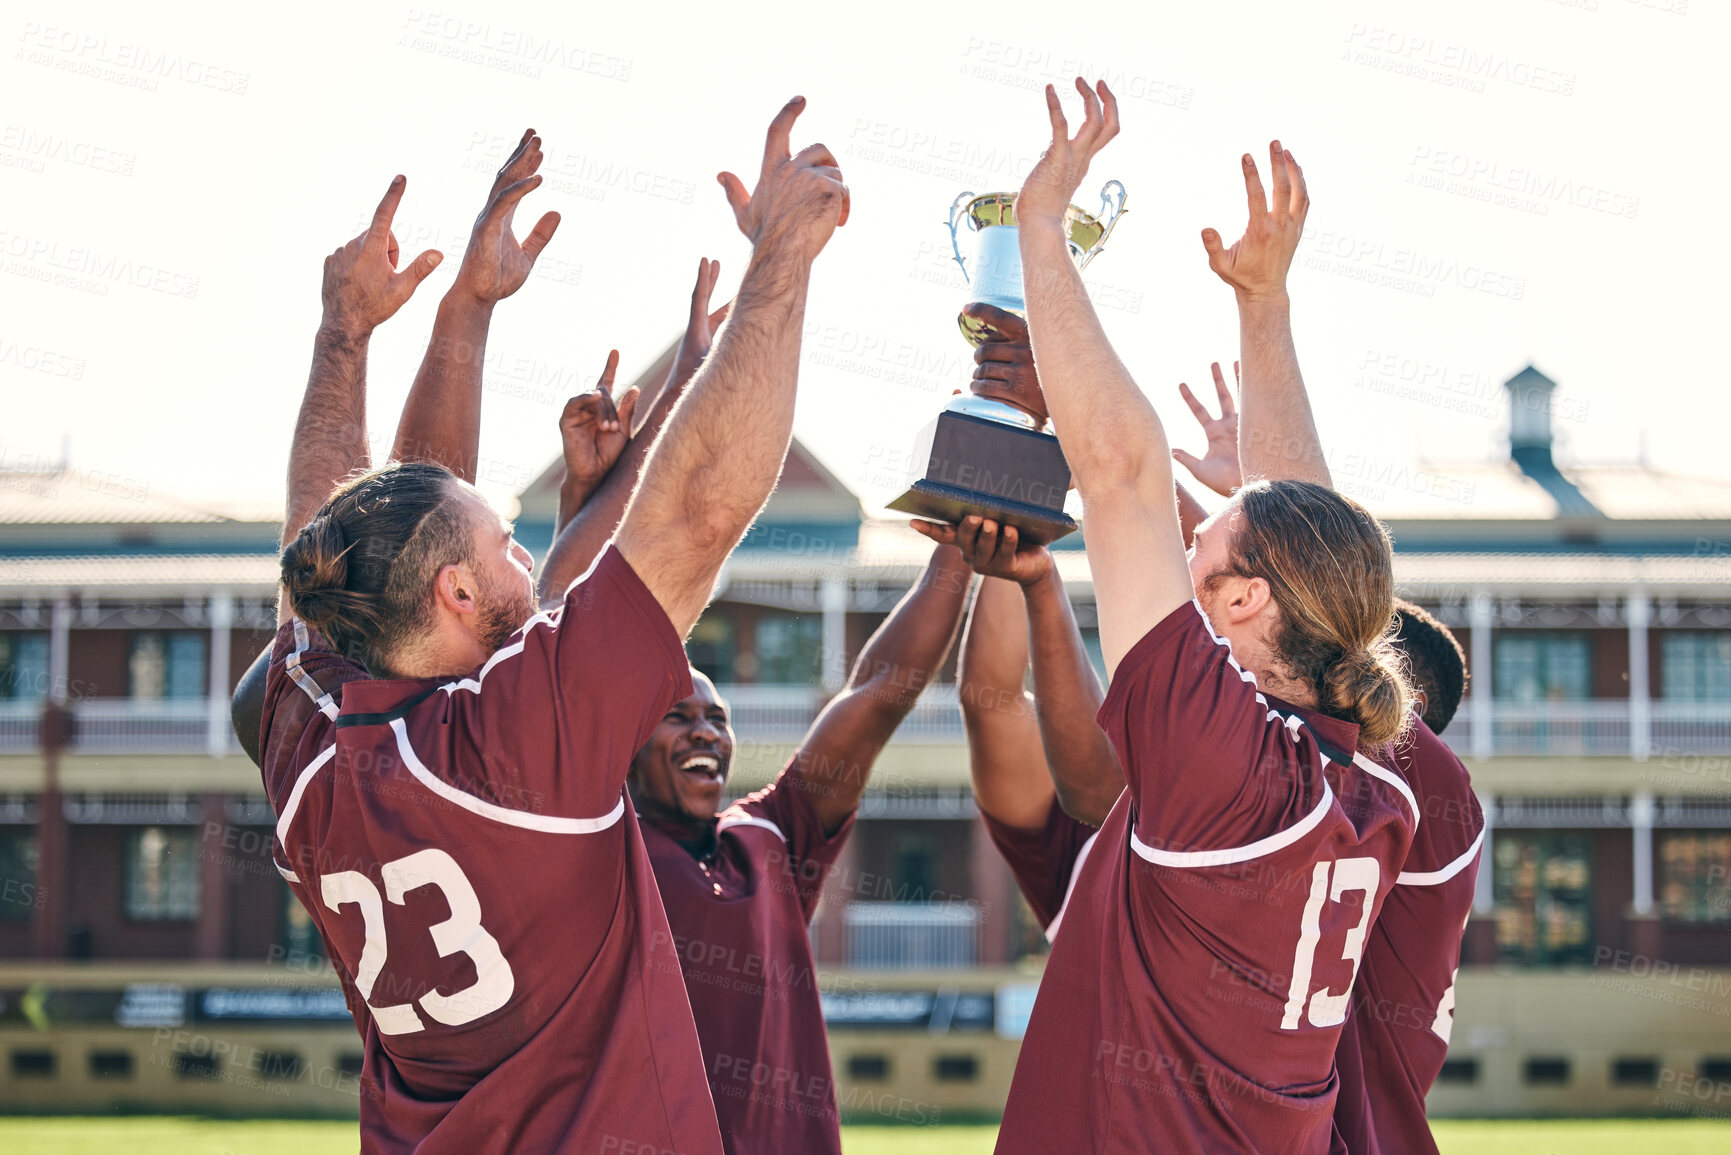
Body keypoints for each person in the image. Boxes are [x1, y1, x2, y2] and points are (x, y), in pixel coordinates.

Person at [250, 103, 849, 1153]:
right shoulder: (516, 747)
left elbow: (345, 540)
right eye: (506, 547)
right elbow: (698, 509)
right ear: (458, 600)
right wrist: (785, 258)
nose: (529, 552)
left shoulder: (304, 744)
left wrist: (428, 318)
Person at [917, 81, 1419, 1153]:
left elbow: (1125, 473)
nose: (1184, 533)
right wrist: (1262, 309)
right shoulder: (1373, 793)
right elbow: (1319, 557)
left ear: (1243, 600)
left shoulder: (1225, 761)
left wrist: (1042, 229)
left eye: (1212, 531)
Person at [539, 259, 973, 1155]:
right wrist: (598, 489)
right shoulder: (600, 849)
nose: (705, 729)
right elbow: (562, 651)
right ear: (619, 739)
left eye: (718, 717)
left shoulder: (768, 843)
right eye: (678, 715)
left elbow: (876, 694)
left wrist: (958, 557)